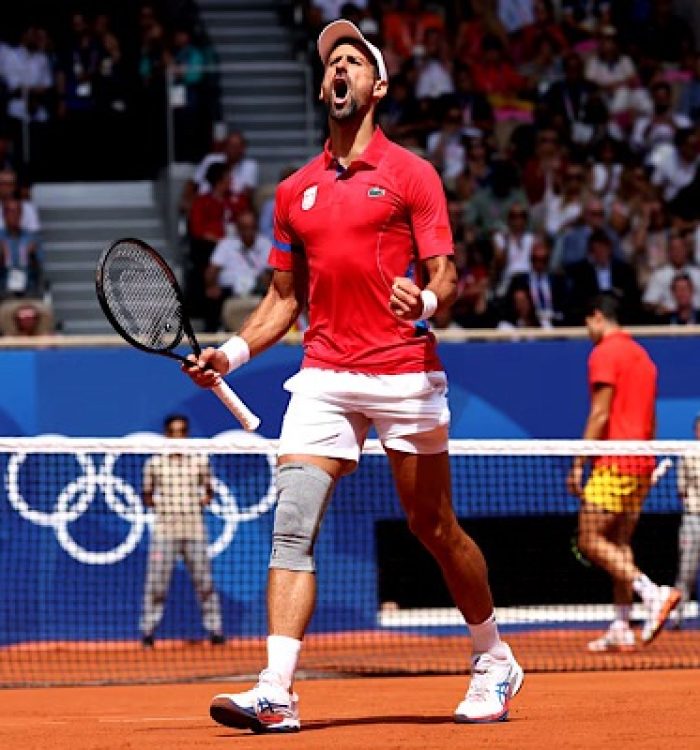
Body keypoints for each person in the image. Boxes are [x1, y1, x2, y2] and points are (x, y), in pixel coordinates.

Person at [185, 19, 523, 733]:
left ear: (378, 85)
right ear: (322, 86)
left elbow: (447, 276)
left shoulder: (412, 175)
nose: (339, 70)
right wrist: (232, 354)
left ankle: (494, 657)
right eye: (330, 62)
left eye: (352, 61)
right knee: (292, 525)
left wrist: (426, 302)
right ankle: (276, 690)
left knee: (431, 525)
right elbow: (282, 300)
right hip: (324, 376)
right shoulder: (294, 192)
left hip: (404, 372)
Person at [566, 293, 680, 652]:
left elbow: (600, 414)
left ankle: (652, 594)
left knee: (588, 539)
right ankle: (620, 624)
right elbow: (650, 417)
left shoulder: (605, 352)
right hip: (642, 461)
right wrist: (646, 457)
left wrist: (579, 464)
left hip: (615, 461)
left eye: (587, 323)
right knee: (618, 544)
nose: (587, 331)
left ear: (597, 316)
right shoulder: (643, 358)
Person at [139, 414, 225, 648]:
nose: (178, 436)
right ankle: (148, 632)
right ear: (167, 434)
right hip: (164, 532)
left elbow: (209, 489)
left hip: (195, 530)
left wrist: (203, 499)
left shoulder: (199, 461)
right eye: (173, 432)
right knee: (156, 584)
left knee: (204, 583)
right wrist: (161, 506)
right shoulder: (154, 463)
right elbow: (146, 494)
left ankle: (215, 631)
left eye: (182, 431)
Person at [671, 412, 700, 629]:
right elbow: (681, 489)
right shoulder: (688, 454)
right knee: (686, 570)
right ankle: (676, 617)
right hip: (693, 518)